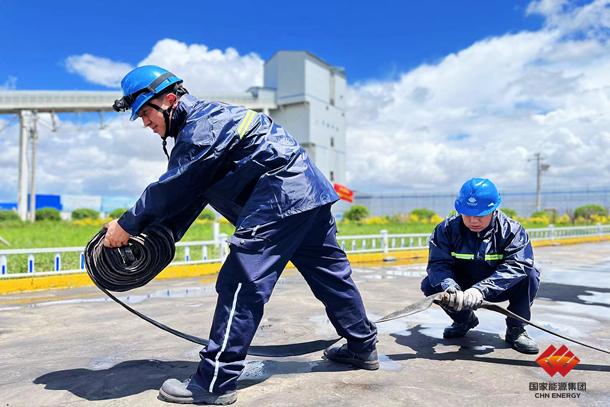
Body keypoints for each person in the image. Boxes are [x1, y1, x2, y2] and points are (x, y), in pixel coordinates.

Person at [103, 65, 378, 405]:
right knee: (331, 276)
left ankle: (214, 382)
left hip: (277, 199)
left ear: (170, 100)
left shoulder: (201, 127)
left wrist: (127, 225)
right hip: (309, 195)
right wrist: (155, 238)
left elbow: (172, 189)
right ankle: (362, 346)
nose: (145, 123)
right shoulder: (209, 123)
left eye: (146, 112)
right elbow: (189, 197)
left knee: (240, 283)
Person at [420, 178, 540, 354]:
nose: (473, 220)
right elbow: (438, 264)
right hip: (463, 286)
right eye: (467, 214)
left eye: (480, 215)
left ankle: (516, 328)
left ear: (493, 209)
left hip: (498, 286)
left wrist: (481, 290)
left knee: (530, 275)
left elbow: (518, 264)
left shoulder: (512, 231)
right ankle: (464, 320)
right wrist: (451, 288)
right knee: (430, 284)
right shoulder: (446, 230)